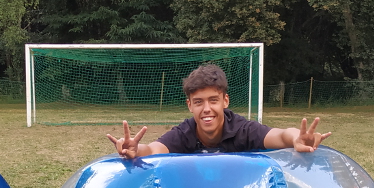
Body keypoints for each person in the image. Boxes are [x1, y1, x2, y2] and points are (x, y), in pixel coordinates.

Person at [107, 64, 331, 159]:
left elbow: (280, 135)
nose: (206, 109)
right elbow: (153, 149)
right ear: (189, 105)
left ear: (225, 101)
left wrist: (296, 137)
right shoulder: (184, 133)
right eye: (198, 102)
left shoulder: (242, 129)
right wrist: (136, 149)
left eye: (213, 100)